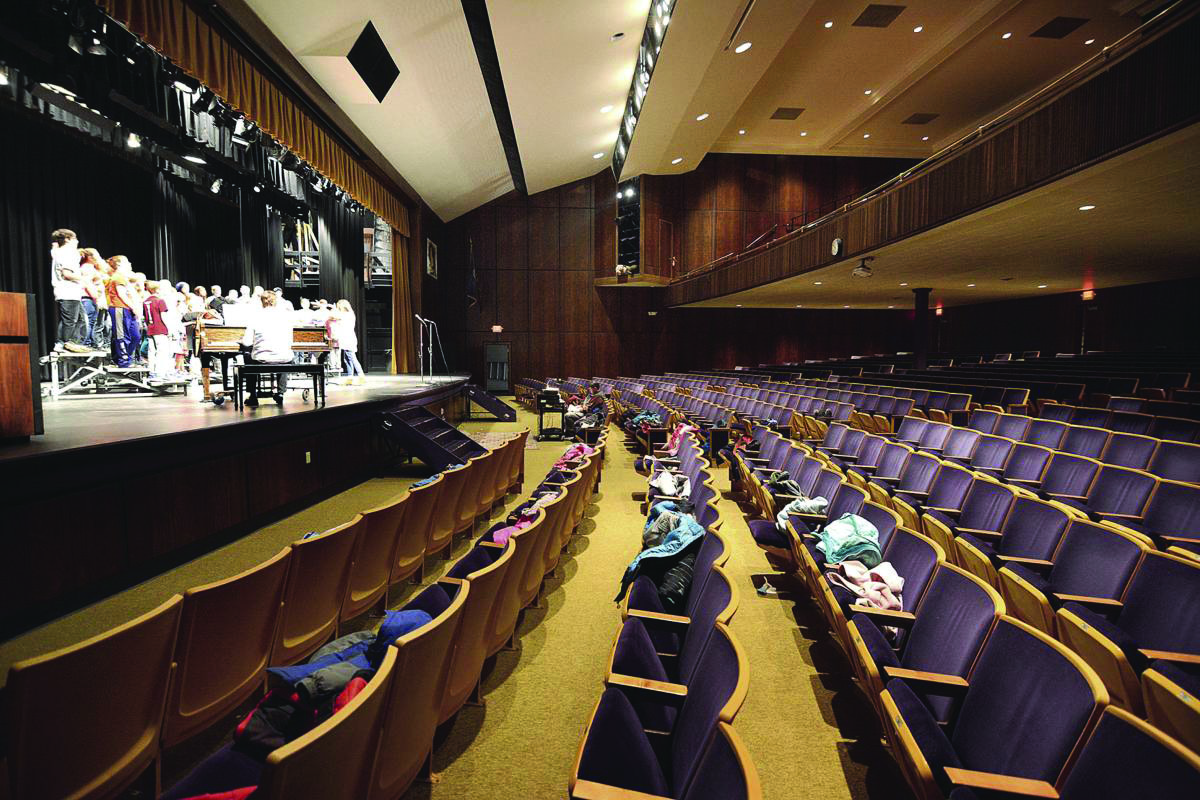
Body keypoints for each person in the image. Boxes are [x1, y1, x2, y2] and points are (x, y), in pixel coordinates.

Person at [240, 290, 294, 406]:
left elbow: (247, 342)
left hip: (262, 358)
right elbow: (290, 341)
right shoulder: (286, 317)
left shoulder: (255, 317)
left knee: (248, 357)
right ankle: (280, 393)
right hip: (283, 357)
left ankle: (253, 396)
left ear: (262, 302)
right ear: (275, 302)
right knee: (284, 358)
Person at [50, 228, 89, 352]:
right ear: (67, 239)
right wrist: (84, 278)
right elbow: (67, 274)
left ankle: (71, 342)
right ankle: (63, 343)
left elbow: (54, 250)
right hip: (68, 291)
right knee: (70, 320)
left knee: (81, 319)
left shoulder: (59, 252)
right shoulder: (68, 253)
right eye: (75, 238)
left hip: (70, 291)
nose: (77, 241)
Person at [105, 257, 141, 367]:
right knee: (122, 335)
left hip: (128, 310)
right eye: (127, 261)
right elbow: (122, 295)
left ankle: (124, 358)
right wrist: (133, 307)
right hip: (119, 308)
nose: (130, 263)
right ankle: (123, 361)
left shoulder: (124, 278)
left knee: (136, 336)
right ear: (120, 264)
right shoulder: (118, 277)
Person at [328, 299, 364, 384]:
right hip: (345, 338)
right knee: (346, 358)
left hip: (349, 338)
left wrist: (333, 308)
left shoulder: (348, 314)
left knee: (352, 357)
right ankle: (349, 377)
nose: (338, 308)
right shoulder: (346, 314)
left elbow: (333, 317)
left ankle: (361, 376)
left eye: (339, 306)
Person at [143, 281, 173, 379]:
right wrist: (169, 329)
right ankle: (161, 372)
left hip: (150, 328)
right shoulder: (160, 301)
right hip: (160, 328)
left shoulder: (145, 301)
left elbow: (146, 317)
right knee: (162, 351)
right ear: (157, 289)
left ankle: (152, 371)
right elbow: (163, 316)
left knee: (151, 351)